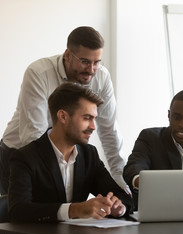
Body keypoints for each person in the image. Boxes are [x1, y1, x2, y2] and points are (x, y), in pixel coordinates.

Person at [0, 26, 129, 195]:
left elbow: (109, 130)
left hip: (65, 157)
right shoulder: (39, 73)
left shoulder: (102, 78)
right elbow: (33, 135)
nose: (91, 70)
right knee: (22, 216)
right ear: (68, 55)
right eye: (84, 61)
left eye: (96, 62)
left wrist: (120, 181)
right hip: (20, 155)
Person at [8, 83, 133, 222]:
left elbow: (123, 196)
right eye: (87, 118)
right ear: (63, 116)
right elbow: (17, 211)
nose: (93, 127)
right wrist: (75, 209)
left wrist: (118, 207)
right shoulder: (25, 157)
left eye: (94, 119)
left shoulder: (89, 154)